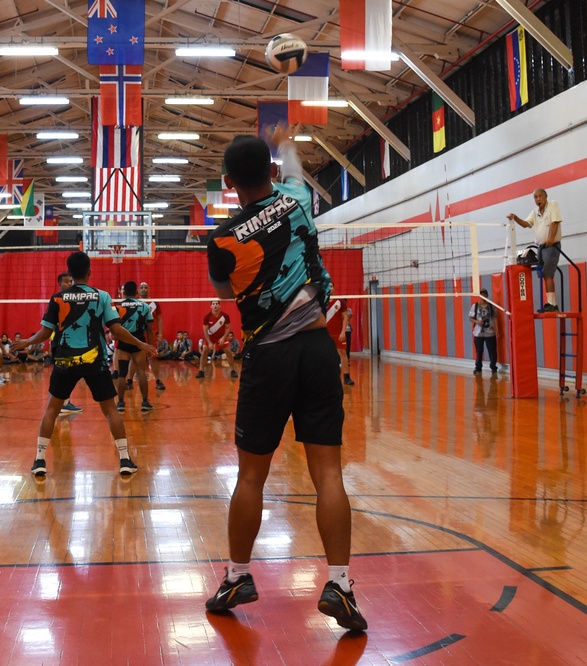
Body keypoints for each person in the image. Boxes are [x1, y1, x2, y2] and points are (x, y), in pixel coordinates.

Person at [202, 125, 367, 632]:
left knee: (251, 475)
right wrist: (284, 142)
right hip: (319, 349)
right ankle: (339, 583)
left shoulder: (222, 239)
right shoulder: (297, 203)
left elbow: (229, 292)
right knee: (329, 475)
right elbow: (294, 169)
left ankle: (237, 577)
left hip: (268, 355)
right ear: (270, 173)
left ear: (229, 182)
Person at [10, 251, 156, 477]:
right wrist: (142, 344)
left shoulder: (58, 298)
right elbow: (116, 330)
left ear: (68, 273)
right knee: (110, 409)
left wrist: (27, 342)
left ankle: (39, 461)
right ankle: (125, 459)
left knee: (52, 409)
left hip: (65, 361)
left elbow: (46, 332)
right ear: (89, 272)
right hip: (95, 361)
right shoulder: (102, 296)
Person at [507, 188, 562, 312]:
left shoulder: (552, 205)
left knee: (548, 273)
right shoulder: (535, 212)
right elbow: (526, 224)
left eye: (540, 196)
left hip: (551, 246)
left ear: (546, 196)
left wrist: (550, 240)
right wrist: (515, 217)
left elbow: (555, 223)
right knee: (543, 274)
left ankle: (552, 304)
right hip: (541, 247)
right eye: (535, 197)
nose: (538, 199)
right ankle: (550, 302)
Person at [114, 281, 155, 412]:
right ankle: (144, 402)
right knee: (141, 372)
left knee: (122, 374)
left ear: (124, 292)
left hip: (123, 342)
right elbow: (150, 328)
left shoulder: (117, 307)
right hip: (140, 341)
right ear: (137, 293)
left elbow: (114, 328)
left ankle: (120, 403)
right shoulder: (144, 306)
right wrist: (150, 346)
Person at [56, 272, 83, 415]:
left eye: (70, 281)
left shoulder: (75, 300)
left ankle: (64, 402)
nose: (69, 284)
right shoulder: (57, 300)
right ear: (60, 283)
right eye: (66, 282)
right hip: (62, 343)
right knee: (65, 374)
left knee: (68, 374)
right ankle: (63, 404)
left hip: (71, 342)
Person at [196, 300, 238, 379]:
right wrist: (209, 342)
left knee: (228, 352)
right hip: (210, 337)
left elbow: (229, 328)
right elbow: (205, 330)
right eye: (213, 304)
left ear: (219, 305)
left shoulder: (225, 316)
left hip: (221, 337)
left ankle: (233, 370)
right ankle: (201, 371)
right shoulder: (207, 316)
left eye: (216, 304)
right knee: (204, 351)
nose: (215, 305)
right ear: (211, 306)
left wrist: (223, 337)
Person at [138, 282, 167, 390]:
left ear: (149, 290)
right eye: (142, 288)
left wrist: (160, 333)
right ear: (138, 290)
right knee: (136, 358)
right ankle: (130, 380)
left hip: (151, 335)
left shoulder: (154, 303)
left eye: (146, 287)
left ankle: (158, 380)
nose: (144, 289)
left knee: (153, 358)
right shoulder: (136, 303)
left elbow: (159, 319)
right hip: (139, 335)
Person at [469, 288, 499, 376]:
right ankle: (478, 368)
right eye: (481, 295)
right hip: (478, 333)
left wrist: (497, 330)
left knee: (492, 351)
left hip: (490, 333)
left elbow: (495, 318)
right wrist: (478, 322)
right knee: (479, 351)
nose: (483, 297)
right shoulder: (475, 306)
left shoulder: (490, 306)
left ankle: (493, 368)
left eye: (485, 295)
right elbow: (471, 318)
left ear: (487, 296)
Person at [338, 304, 354, 386]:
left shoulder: (340, 302)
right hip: (327, 331)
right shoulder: (322, 300)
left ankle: (346, 377)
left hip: (340, 332)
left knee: (343, 352)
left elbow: (346, 317)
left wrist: (343, 331)